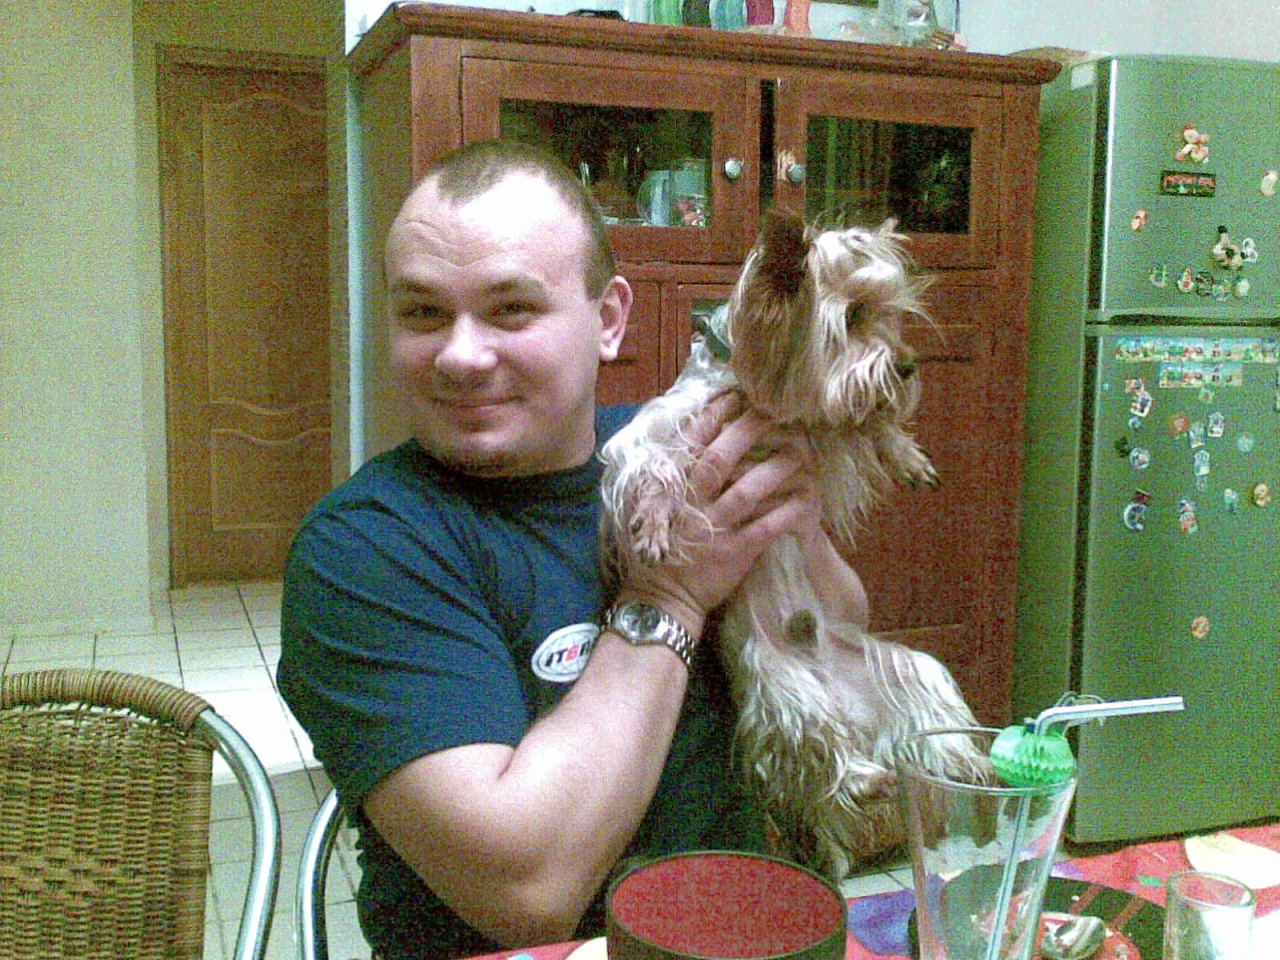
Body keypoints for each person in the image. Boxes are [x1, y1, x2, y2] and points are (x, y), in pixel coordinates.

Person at [277, 138, 867, 960]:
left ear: (609, 320)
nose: (460, 355)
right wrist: (669, 597)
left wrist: (795, 533)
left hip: (745, 931)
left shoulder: (683, 455)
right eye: (423, 314)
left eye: (511, 310)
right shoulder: (366, 550)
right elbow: (529, 892)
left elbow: (840, 637)